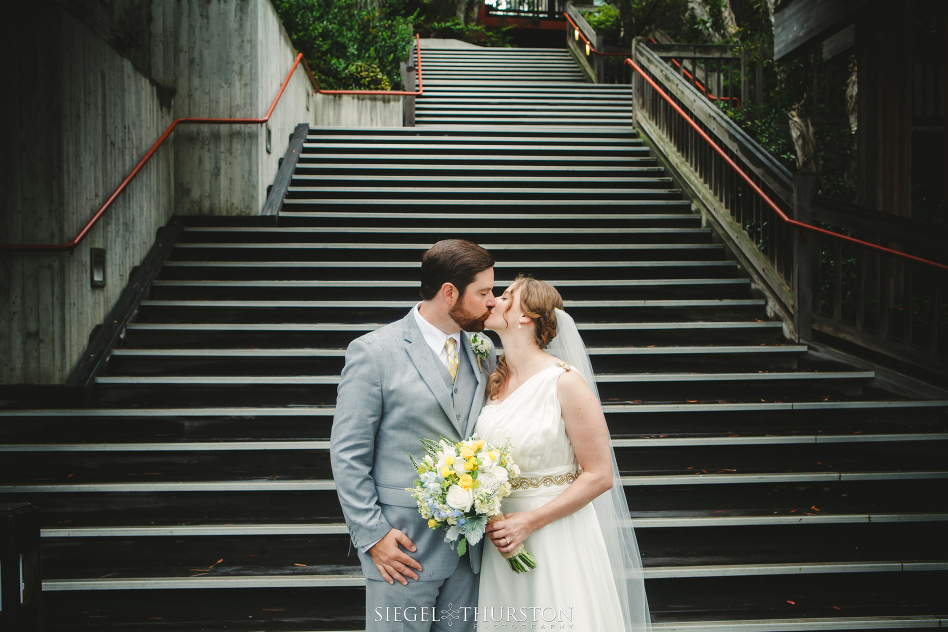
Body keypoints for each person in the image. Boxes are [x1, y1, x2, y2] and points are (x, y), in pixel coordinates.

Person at [330, 239, 498, 632]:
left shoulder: (483, 348)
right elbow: (347, 453)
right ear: (449, 293)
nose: (493, 301)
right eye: (485, 292)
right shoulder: (374, 352)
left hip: (470, 553)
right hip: (401, 550)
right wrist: (373, 536)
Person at [475, 276, 651, 631]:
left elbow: (599, 475)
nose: (492, 301)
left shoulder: (565, 382)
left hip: (554, 536)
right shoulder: (491, 380)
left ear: (526, 315)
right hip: (501, 537)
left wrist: (530, 521)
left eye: (505, 296)